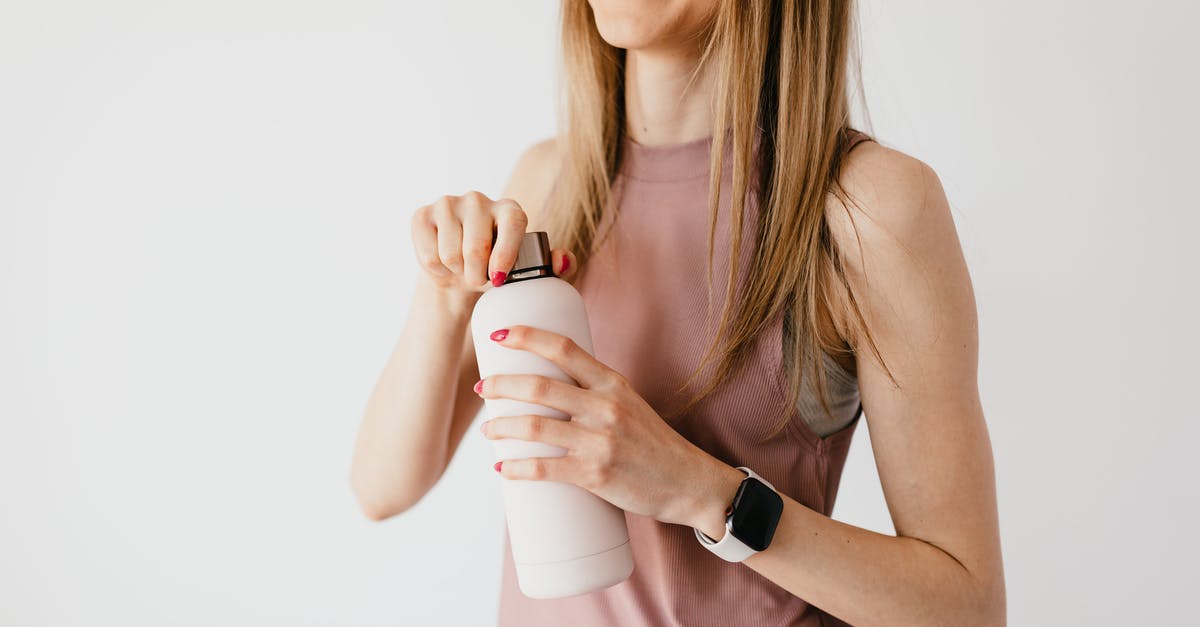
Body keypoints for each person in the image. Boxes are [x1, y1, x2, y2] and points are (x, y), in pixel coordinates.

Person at [350, 1, 1005, 625]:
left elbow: (967, 609)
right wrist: (442, 295)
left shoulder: (868, 210)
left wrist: (704, 491)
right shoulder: (550, 181)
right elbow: (381, 486)